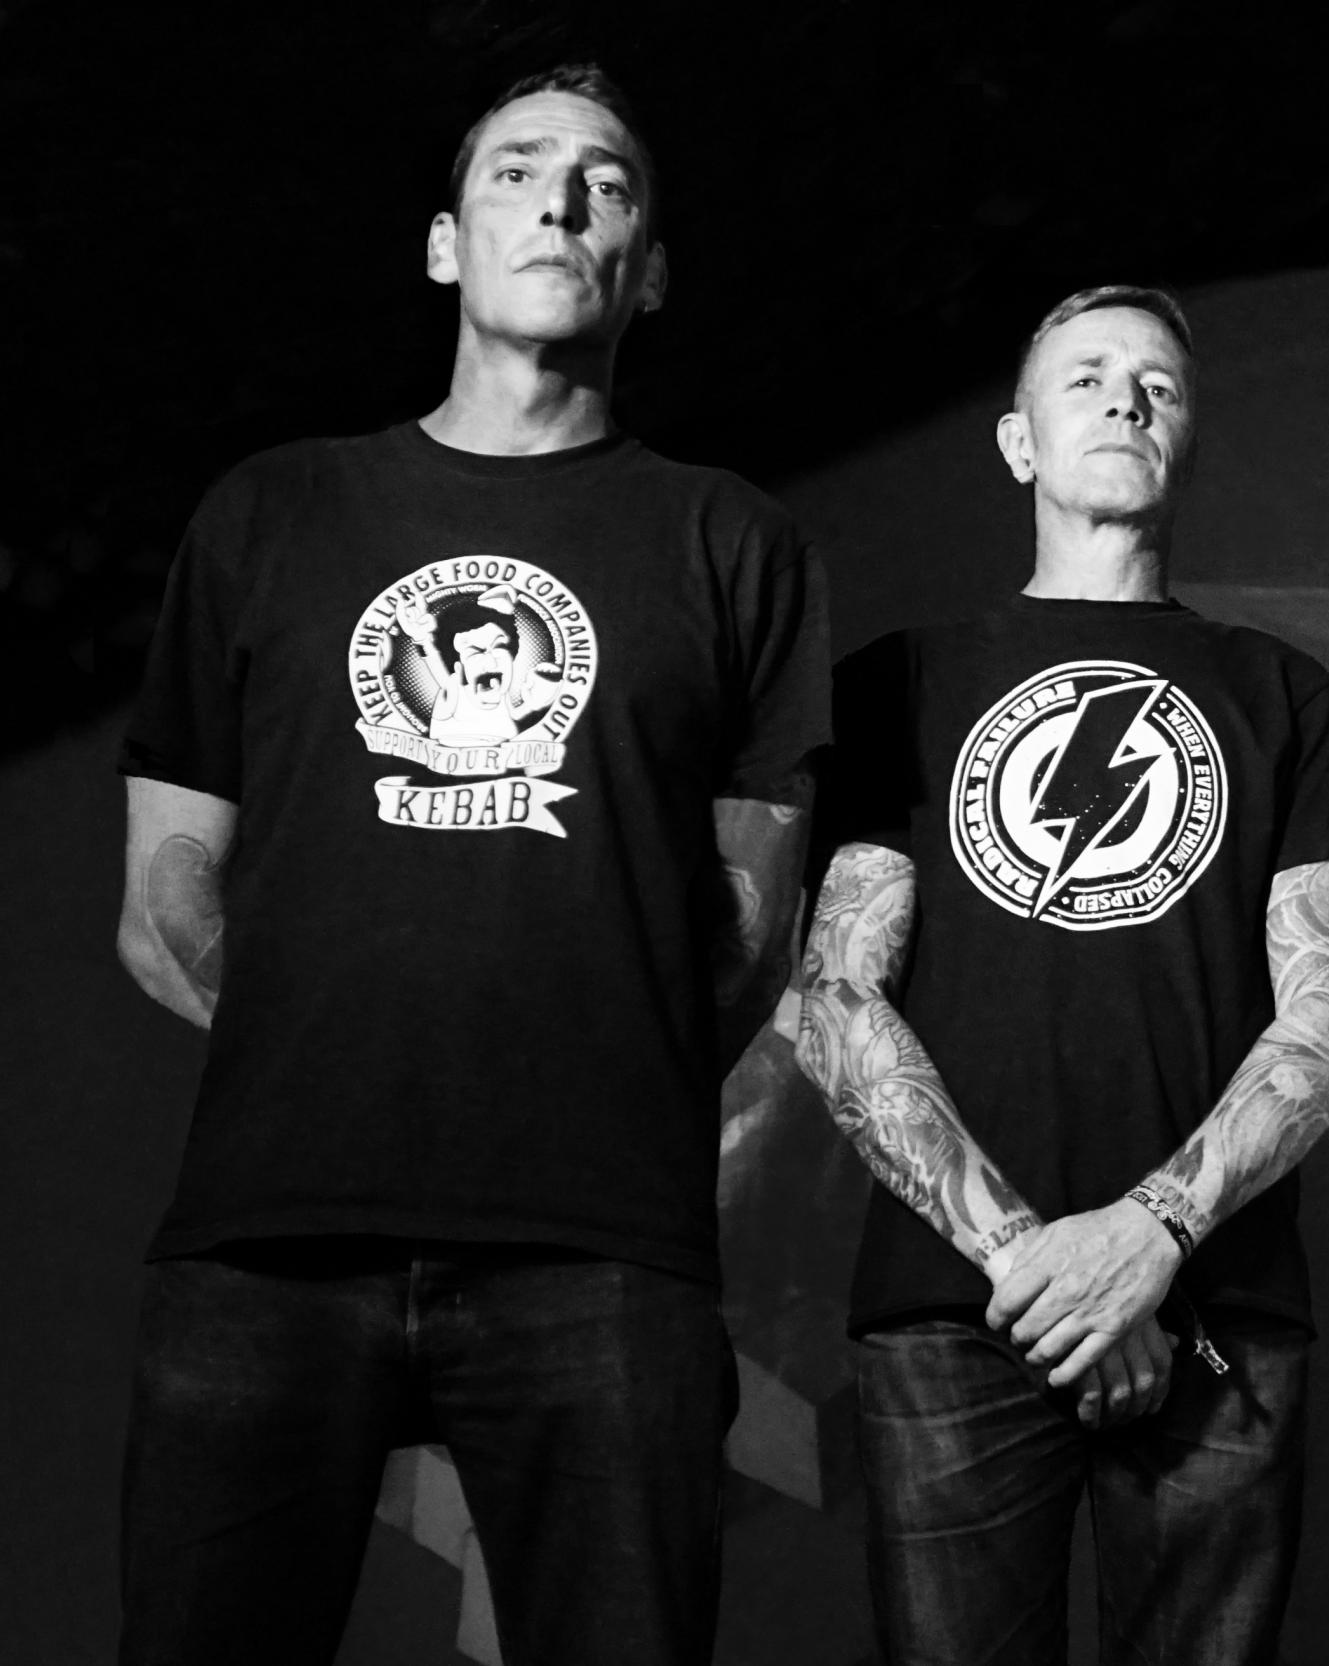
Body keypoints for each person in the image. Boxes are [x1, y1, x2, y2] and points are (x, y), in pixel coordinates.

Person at [112, 64, 827, 1665]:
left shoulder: (734, 542)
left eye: (606, 184)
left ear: (650, 272)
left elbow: (753, 928)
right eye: (515, 172)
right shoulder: (274, 510)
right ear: (444, 245)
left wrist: (588, 1069)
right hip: (272, 1235)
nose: (560, 202)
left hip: (602, 1245)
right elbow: (163, 900)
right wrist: (328, 1046)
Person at [790, 285, 1329, 1665]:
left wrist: (1147, 1239)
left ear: (1188, 442)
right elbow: (835, 1000)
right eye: (1087, 377)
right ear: (1018, 443)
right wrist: (1035, 1262)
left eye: (1158, 384)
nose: (1126, 398)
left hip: (1215, 1312)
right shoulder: (904, 682)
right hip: (959, 1310)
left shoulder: (1280, 693)